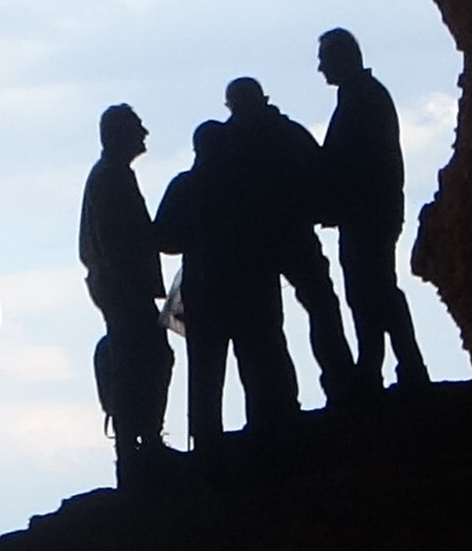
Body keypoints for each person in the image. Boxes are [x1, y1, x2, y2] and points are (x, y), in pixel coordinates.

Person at [221, 76, 360, 400]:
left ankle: (278, 401)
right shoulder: (288, 133)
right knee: (321, 307)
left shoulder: (228, 144)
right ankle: (341, 383)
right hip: (294, 235)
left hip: (255, 246)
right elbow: (320, 175)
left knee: (267, 324)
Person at [157, 121, 293, 449]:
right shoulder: (249, 183)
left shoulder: (186, 186)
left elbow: (162, 236)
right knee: (258, 365)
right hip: (252, 289)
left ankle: (206, 444)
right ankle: (270, 436)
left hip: (204, 291)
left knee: (205, 372)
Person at [317, 27, 434, 392]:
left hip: (365, 213)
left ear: (341, 58)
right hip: (374, 211)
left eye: (324, 60)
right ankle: (388, 366)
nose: (320, 69)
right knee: (375, 290)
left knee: (372, 290)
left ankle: (390, 368)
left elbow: (352, 162)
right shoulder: (365, 96)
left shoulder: (360, 100)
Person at [78, 102, 174, 478]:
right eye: (137, 127)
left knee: (142, 359)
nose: (144, 133)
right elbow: (122, 239)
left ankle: (137, 443)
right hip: (124, 287)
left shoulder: (109, 176)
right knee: (145, 359)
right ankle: (139, 444)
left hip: (119, 286)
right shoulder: (112, 178)